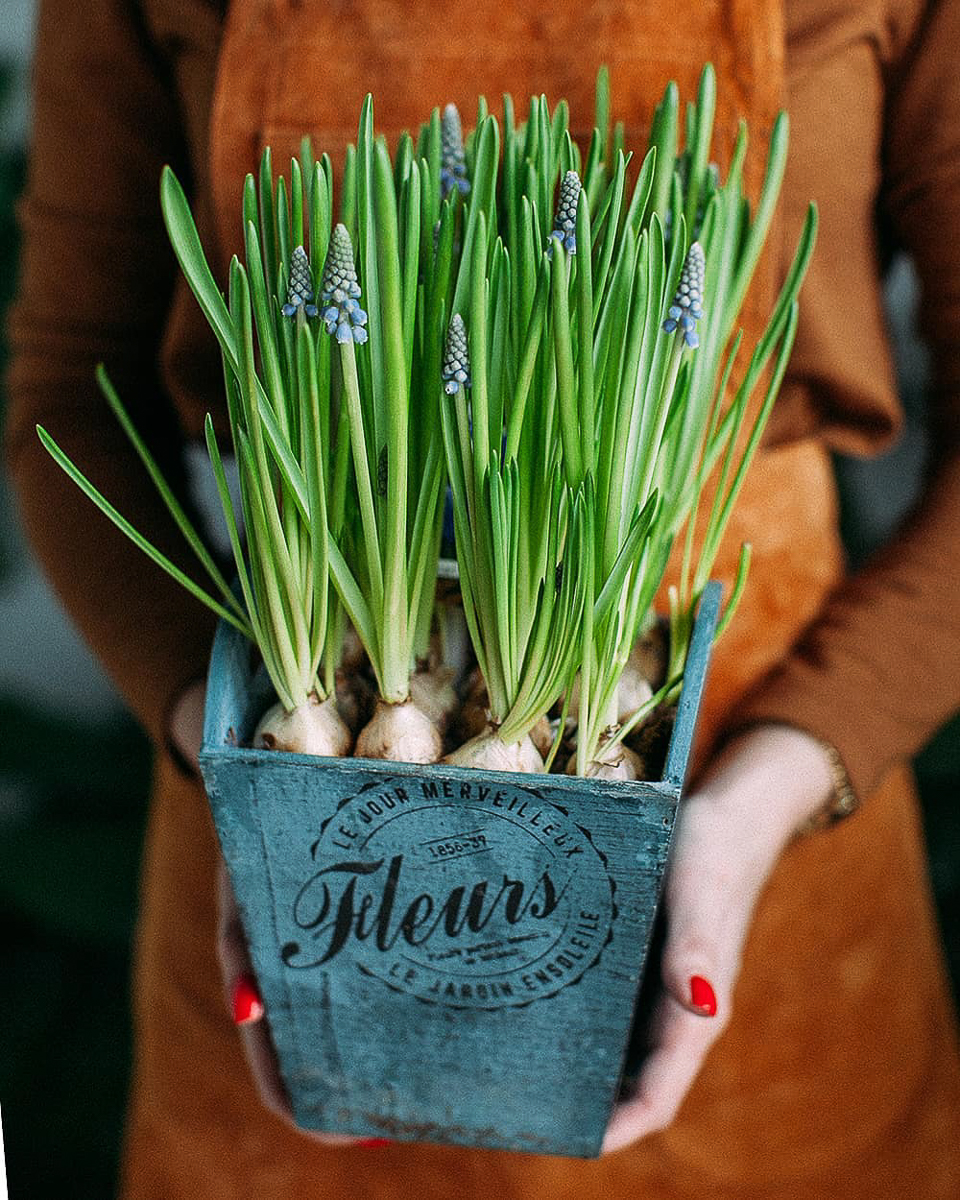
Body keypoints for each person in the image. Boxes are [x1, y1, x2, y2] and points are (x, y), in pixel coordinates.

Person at [5, 0, 960, 1195]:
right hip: (307, 831)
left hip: (761, 791)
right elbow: (66, 393)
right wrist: (243, 758)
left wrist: (764, 794)